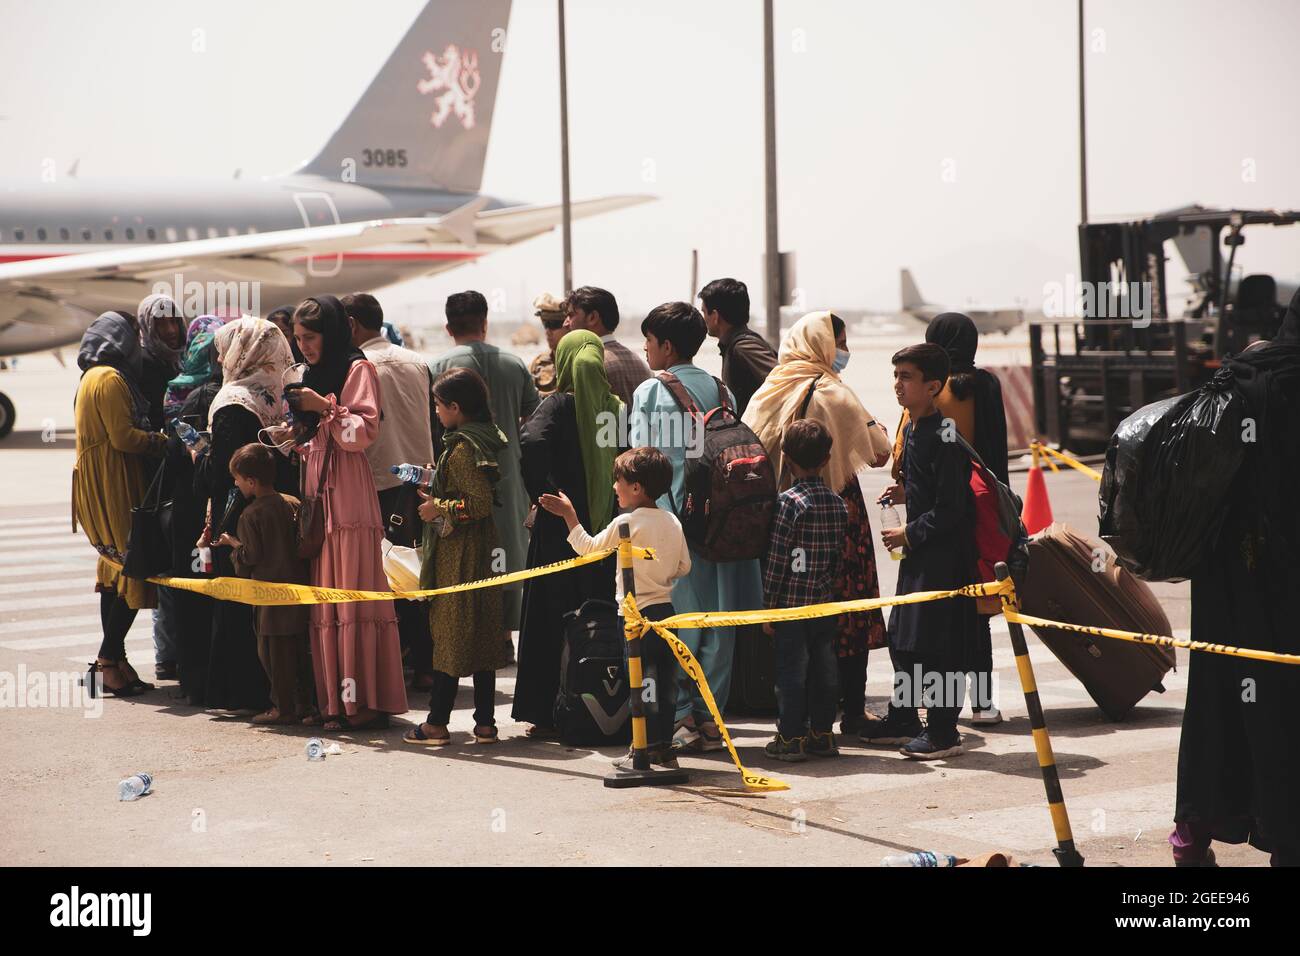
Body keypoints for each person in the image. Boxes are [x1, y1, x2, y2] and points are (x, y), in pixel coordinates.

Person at [1169, 289, 1300, 867]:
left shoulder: (1241, 373)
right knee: (1283, 703)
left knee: (1220, 694)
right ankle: (1286, 837)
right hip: (1285, 577)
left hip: (1226, 573)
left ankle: (1193, 834)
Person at [742, 311, 893, 735]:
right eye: (839, 343)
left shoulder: (767, 389)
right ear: (823, 345)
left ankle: (798, 717)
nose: (843, 353)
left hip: (783, 513)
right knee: (848, 609)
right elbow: (879, 451)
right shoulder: (833, 390)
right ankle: (852, 711)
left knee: (794, 623)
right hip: (836, 512)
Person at [629, 301, 763, 753]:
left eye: (648, 342)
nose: (645, 351)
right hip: (724, 524)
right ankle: (711, 718)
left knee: (682, 622)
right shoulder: (723, 391)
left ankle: (684, 715)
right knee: (720, 624)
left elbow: (638, 464)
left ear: (666, 346)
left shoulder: (649, 394)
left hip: (674, 527)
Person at [283, 295, 406, 729]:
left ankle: (363, 703)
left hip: (349, 495)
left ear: (332, 332)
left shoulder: (359, 368)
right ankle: (334, 703)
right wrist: (295, 431)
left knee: (352, 597)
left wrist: (326, 408)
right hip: (318, 495)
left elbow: (362, 432)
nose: (304, 347)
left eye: (310, 337)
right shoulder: (311, 374)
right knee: (326, 603)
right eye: (297, 339)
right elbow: (315, 438)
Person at [891, 312, 1009, 725]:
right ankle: (984, 702)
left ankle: (929, 711)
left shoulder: (935, 397)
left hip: (943, 515)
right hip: (986, 504)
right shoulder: (987, 384)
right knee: (979, 612)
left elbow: (903, 456)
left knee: (938, 618)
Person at [540, 446, 692, 767]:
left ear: (636, 487)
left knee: (639, 683)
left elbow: (588, 549)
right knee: (664, 684)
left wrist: (570, 515)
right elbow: (683, 567)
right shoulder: (672, 522)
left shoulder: (626, 523)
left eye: (618, 480)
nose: (614, 486)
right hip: (666, 615)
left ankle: (642, 750)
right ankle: (663, 746)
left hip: (635, 618)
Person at [864, 343, 976, 759]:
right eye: (895, 376)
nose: (897, 385)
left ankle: (945, 732)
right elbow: (928, 489)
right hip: (920, 555)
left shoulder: (945, 434)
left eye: (906, 377)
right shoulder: (912, 428)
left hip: (943, 558)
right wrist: (905, 491)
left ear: (932, 386)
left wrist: (909, 533)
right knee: (905, 641)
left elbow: (952, 509)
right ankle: (904, 716)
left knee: (938, 646)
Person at [513, 330, 619, 735]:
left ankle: (546, 710)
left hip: (561, 528)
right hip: (603, 529)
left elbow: (531, 440)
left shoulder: (557, 404)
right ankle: (600, 704)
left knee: (549, 617)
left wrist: (545, 493)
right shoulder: (614, 408)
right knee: (597, 614)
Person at [404, 368, 509, 746]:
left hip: (461, 553)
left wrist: (438, 508)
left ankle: (436, 723)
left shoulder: (463, 448)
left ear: (455, 407)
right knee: (480, 633)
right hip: (481, 549)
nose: (435, 411)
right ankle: (485, 724)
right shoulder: (477, 440)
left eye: (438, 405)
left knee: (449, 635)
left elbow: (478, 503)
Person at [195, 318, 296, 713]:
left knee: (236, 601)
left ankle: (240, 692)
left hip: (239, 519)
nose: (221, 357)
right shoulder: (280, 393)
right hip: (278, 511)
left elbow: (220, 473)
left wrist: (198, 456)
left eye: (225, 348)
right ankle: (278, 690)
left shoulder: (233, 402)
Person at [429, 290, 540, 636]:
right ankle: (505, 633)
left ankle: (477, 633)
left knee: (466, 552)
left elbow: (432, 427)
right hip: (509, 473)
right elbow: (533, 419)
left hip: (460, 476)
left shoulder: (439, 367)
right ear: (485, 323)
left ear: (448, 328)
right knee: (507, 549)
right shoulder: (514, 363)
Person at [344, 291, 437, 689]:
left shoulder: (360, 367)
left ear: (350, 325)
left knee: (386, 575)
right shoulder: (417, 361)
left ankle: (394, 666)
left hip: (378, 482)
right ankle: (428, 663)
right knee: (415, 571)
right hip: (419, 483)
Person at [73, 311, 167, 697]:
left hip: (100, 477)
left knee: (114, 567)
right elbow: (124, 438)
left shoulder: (90, 377)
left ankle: (116, 660)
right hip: (114, 478)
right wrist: (163, 442)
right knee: (131, 564)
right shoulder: (109, 379)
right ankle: (108, 660)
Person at [760, 419, 848, 761]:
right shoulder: (837, 504)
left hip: (790, 608)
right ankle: (822, 734)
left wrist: (769, 607)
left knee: (791, 674)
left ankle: (790, 737)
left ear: (786, 459)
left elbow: (778, 559)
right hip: (824, 605)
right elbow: (837, 558)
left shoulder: (788, 503)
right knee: (825, 671)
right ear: (827, 459)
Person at [219, 443, 313, 725]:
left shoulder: (251, 515)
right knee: (299, 653)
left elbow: (251, 556)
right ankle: (304, 705)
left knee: (273, 656)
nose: (236, 484)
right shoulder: (292, 502)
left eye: (237, 478)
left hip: (269, 599)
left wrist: (232, 544)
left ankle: (282, 708)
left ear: (251, 481)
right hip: (298, 591)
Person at [160, 318, 226, 703]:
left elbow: (174, 455)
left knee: (189, 598)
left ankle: (192, 679)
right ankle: (209, 681)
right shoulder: (211, 397)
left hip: (185, 511)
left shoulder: (180, 392)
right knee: (210, 597)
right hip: (205, 515)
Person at [698, 277, 776, 415]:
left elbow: (782, 381)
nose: (703, 319)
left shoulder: (744, 347)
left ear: (715, 316)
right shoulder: (734, 345)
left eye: (704, 312)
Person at [563, 285, 651, 405]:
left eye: (571, 315)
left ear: (592, 317)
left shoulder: (588, 364)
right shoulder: (640, 363)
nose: (565, 323)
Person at [136, 293, 185, 431]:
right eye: (160, 324)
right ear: (147, 325)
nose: (170, 330)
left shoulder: (178, 359)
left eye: (173, 321)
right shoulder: (145, 362)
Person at [528, 292, 566, 395]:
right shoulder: (537, 364)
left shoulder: (583, 363)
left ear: (569, 325)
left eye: (554, 324)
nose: (548, 331)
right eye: (545, 324)